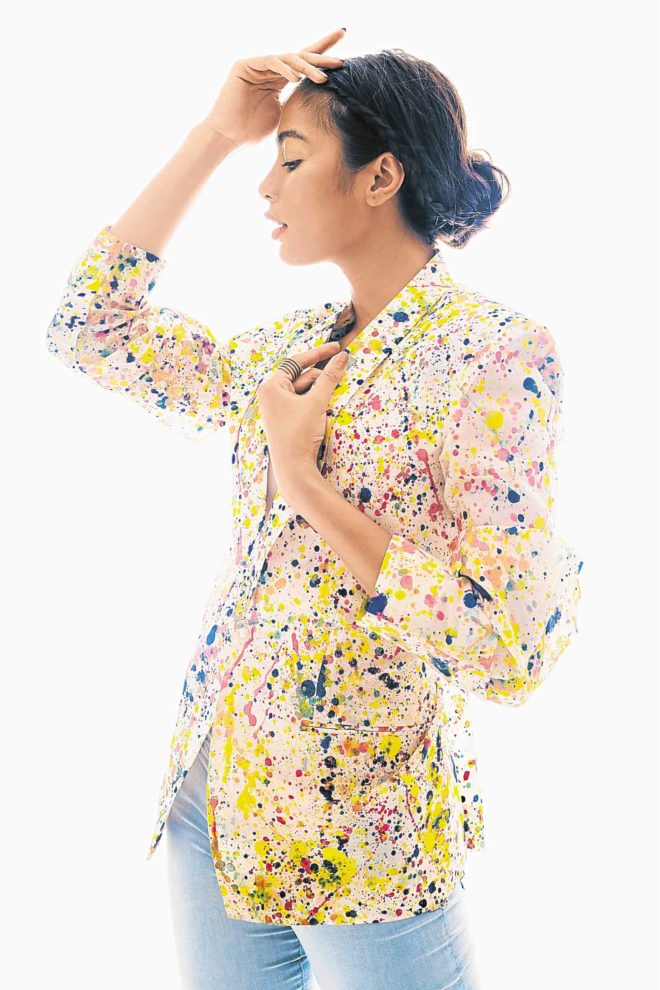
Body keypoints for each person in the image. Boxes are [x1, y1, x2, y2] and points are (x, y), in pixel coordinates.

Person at [46, 27, 584, 990]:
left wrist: (305, 486)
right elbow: (91, 326)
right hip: (216, 799)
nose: (266, 187)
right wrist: (217, 133)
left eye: (290, 160)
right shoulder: (284, 352)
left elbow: (512, 645)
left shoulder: (492, 356)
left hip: (364, 827)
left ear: (380, 178)